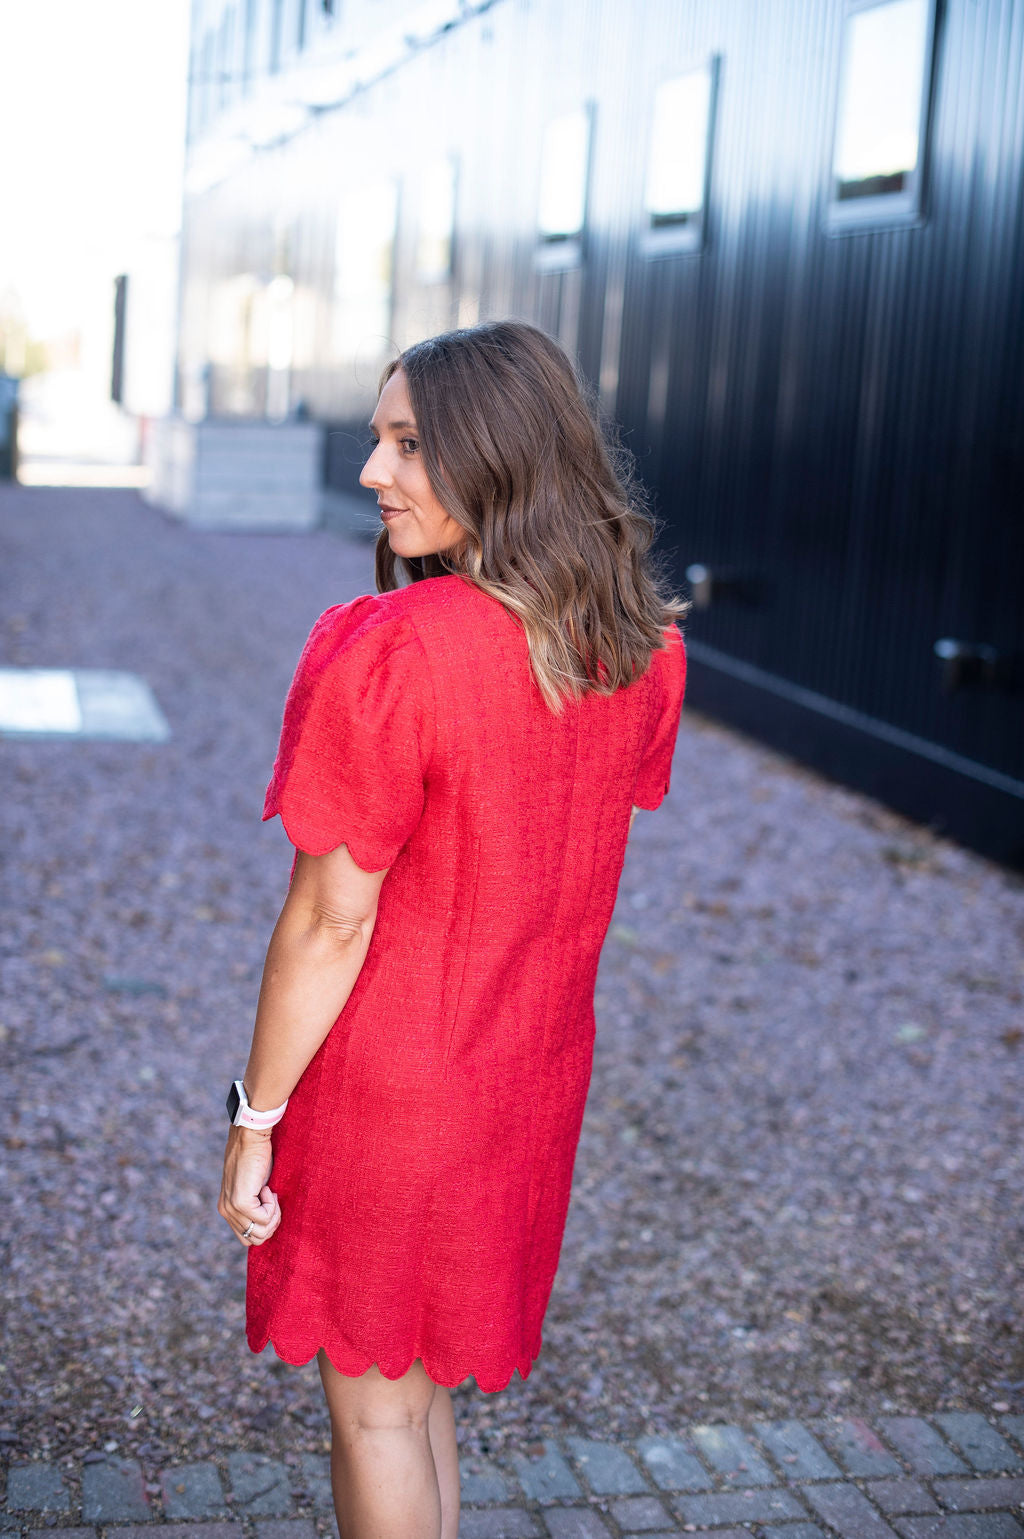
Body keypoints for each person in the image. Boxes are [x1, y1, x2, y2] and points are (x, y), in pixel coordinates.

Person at [218, 319, 688, 1539]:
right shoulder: (633, 652)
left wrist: (253, 1116)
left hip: (391, 1094)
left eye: (408, 442)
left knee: (376, 1413)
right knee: (414, 1393)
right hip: (523, 1084)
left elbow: (329, 918)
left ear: (500, 455)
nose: (374, 471)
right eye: (380, 439)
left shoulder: (394, 652)